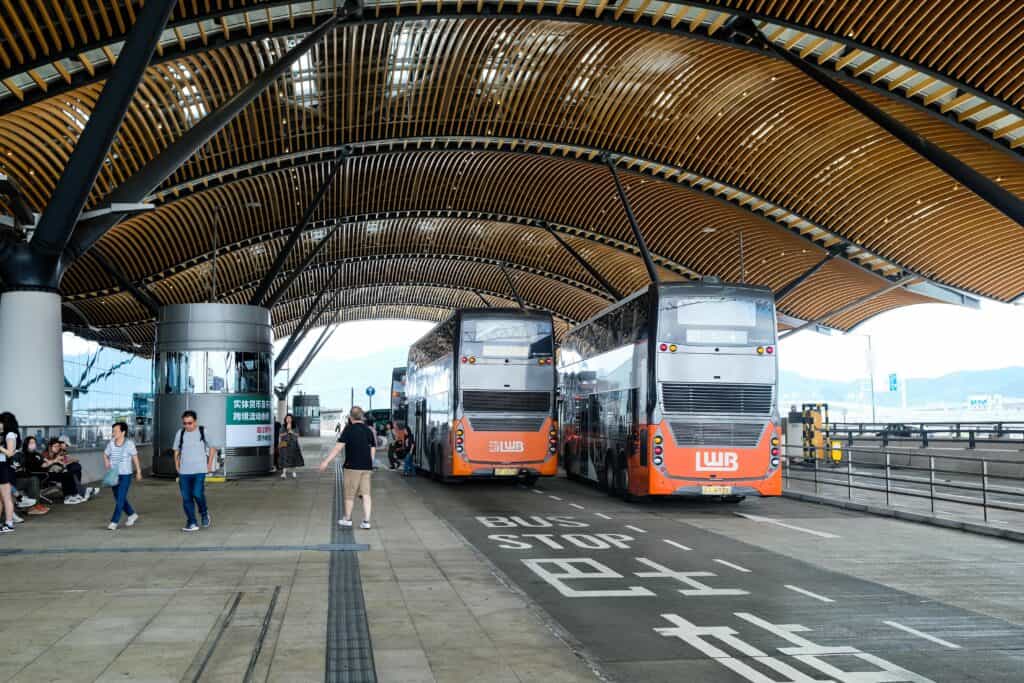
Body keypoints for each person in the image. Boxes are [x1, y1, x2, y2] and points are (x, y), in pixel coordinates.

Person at [319, 406, 376, 529]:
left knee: (349, 495)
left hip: (352, 467)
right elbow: (372, 448)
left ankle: (348, 519)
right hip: (366, 467)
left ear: (350, 417)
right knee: (366, 494)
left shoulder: (349, 429)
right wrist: (370, 463)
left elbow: (338, 448)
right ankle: (366, 522)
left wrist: (326, 461)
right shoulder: (368, 430)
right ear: (362, 417)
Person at [173, 410, 218, 532]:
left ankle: (204, 513)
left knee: (197, 493)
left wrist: (209, 464)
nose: (187, 426)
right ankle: (192, 522)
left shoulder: (203, 431)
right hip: (184, 471)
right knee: (186, 497)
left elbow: (213, 447)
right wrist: (176, 465)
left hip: (199, 470)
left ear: (195, 421)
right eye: (185, 423)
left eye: (190, 423)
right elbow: (176, 450)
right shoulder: (180, 433)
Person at [103, 421, 142, 531]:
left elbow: (135, 458)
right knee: (118, 498)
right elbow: (105, 454)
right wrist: (106, 461)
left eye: (115, 431)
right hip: (114, 475)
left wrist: (138, 472)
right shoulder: (111, 443)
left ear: (123, 432)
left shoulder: (129, 444)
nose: (113, 433)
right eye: (113, 431)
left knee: (120, 498)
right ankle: (132, 514)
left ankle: (114, 521)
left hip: (126, 475)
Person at [0, 412, 20, 532]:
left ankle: (9, 523)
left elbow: (10, 453)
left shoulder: (10, 434)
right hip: (1, 466)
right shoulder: (4, 435)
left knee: (6, 497)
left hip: (3, 467)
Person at [278, 413, 304, 479]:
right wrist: (287, 432)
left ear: (292, 419)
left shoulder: (295, 426)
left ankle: (294, 472)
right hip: (284, 443)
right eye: (287, 418)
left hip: (293, 443)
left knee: (294, 458)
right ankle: (284, 473)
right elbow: (280, 435)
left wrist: (291, 432)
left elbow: (298, 435)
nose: (288, 419)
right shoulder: (283, 426)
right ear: (285, 419)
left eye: (290, 418)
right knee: (284, 458)